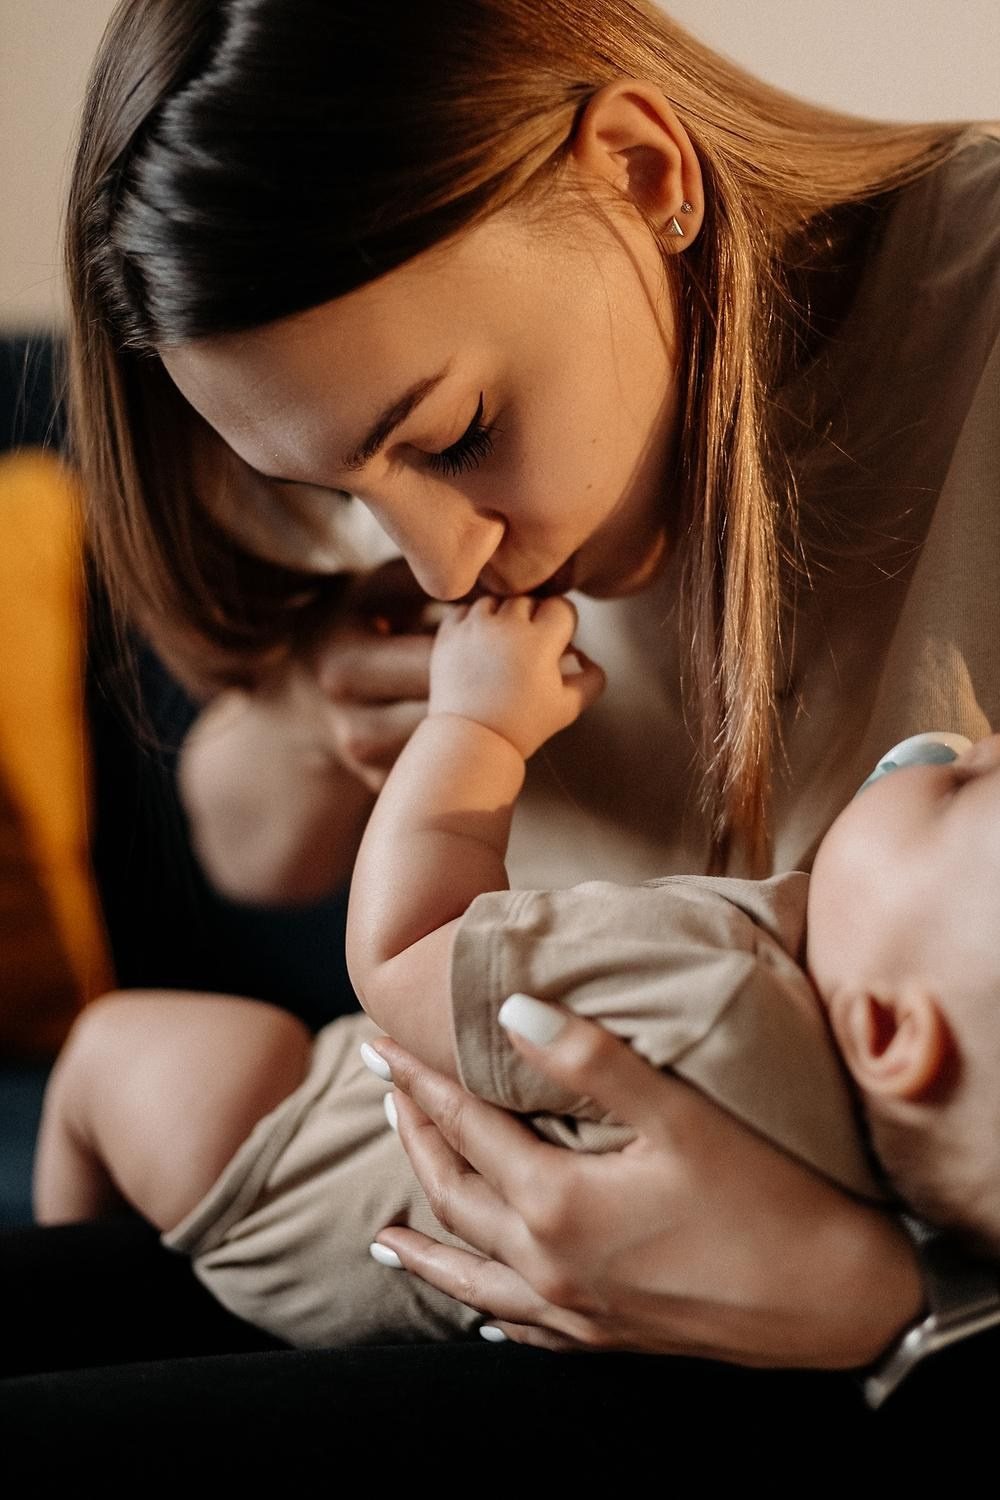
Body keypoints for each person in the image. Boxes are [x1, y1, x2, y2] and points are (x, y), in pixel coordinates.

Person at [7, 0, 1000, 1432]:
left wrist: (894, 1304)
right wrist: (322, 714)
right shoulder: (429, 417)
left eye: (460, 434)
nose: (436, 563)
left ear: (645, 174)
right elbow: (240, 835)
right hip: (438, 1238)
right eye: (339, 493)